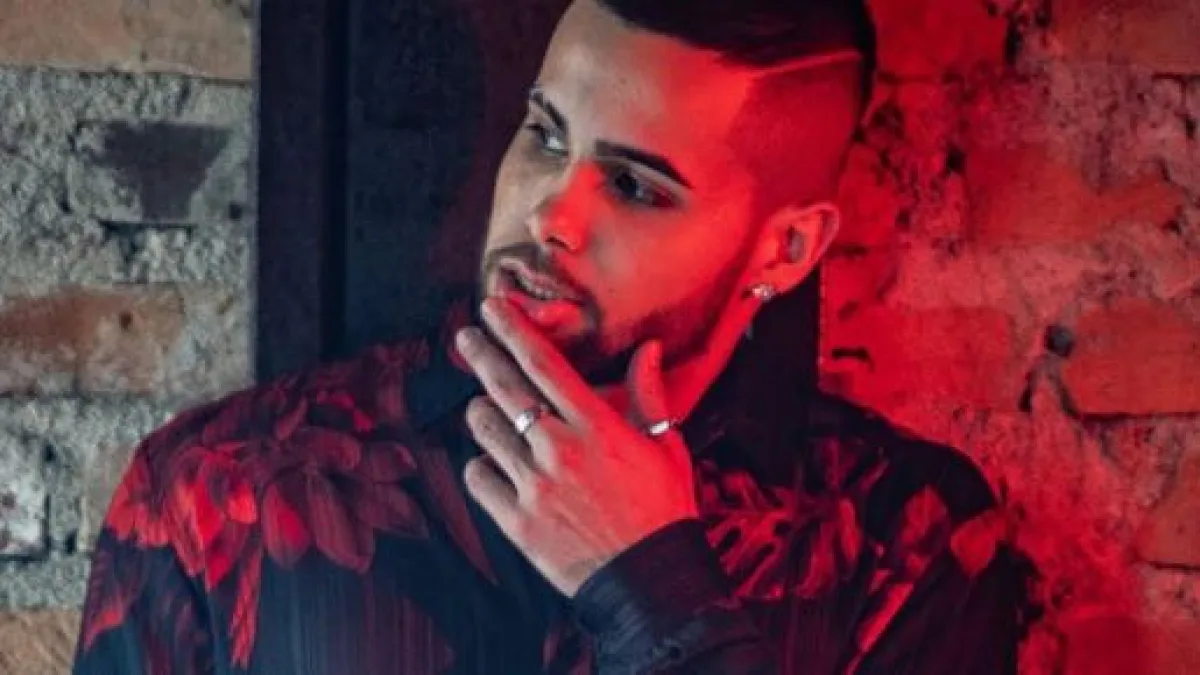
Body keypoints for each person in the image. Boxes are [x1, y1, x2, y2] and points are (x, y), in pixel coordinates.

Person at [73, 0, 1029, 672]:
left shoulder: (906, 544)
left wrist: (654, 591)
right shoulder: (221, 488)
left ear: (786, 247)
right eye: (545, 135)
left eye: (635, 186)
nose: (549, 214)